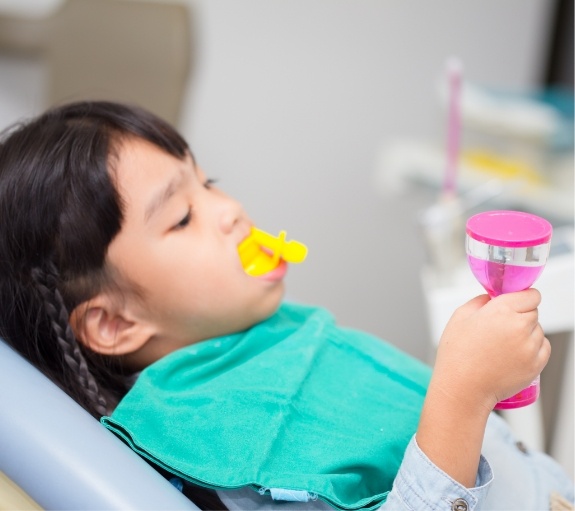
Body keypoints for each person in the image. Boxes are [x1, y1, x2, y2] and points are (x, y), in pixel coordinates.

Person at [0, 101, 572, 511]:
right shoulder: (225, 445)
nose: (230, 210)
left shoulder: (270, 337)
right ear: (115, 321)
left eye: (210, 183)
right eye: (181, 217)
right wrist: (463, 395)